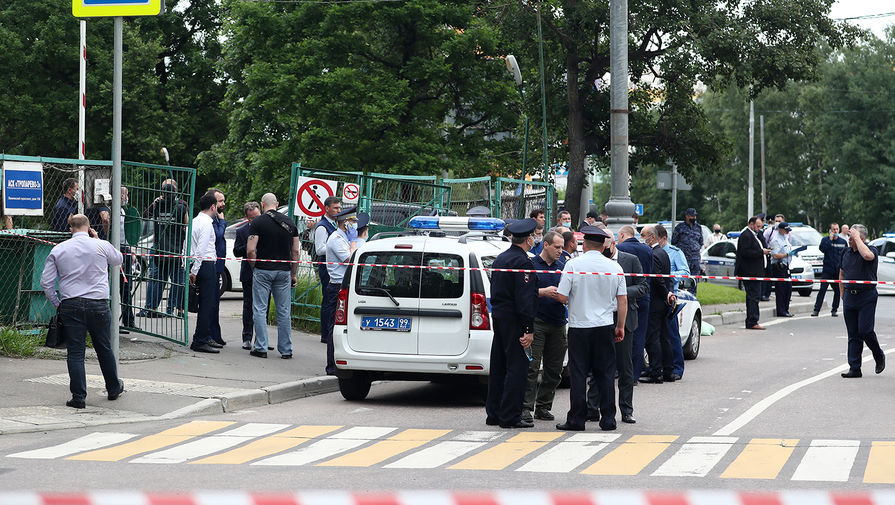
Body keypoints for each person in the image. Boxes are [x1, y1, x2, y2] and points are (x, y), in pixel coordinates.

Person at [40, 214, 125, 408]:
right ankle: (113, 388)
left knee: (75, 352)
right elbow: (117, 259)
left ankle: (78, 396)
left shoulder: (59, 249)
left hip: (71, 304)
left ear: (70, 229)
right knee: (104, 347)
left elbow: (46, 282)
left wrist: (58, 303)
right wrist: (98, 240)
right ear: (88, 228)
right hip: (98, 305)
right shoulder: (100, 245)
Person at [554, 225, 627, 431]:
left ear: (584, 245)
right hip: (604, 326)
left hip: (579, 326)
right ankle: (608, 419)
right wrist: (620, 326)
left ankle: (577, 419)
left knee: (578, 373)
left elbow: (561, 296)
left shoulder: (573, 265)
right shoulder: (615, 268)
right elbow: (622, 301)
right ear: (603, 246)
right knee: (605, 373)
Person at [586, 228, 647, 425]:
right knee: (598, 366)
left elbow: (643, 286)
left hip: (625, 320)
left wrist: (620, 291)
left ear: (613, 243)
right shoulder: (596, 262)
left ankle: (626, 410)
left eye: (606, 248)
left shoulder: (630, 259)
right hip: (600, 319)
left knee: (625, 367)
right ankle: (592, 408)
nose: (603, 253)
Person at [485, 218, 538, 429]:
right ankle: (510, 416)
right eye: (533, 236)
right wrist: (528, 329)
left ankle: (494, 413)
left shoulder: (501, 259)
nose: (535, 239)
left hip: (499, 318)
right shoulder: (522, 262)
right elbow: (524, 300)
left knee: (499, 366)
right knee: (517, 369)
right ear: (528, 239)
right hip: (516, 321)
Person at [247, 193, 300, 359]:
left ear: (262, 205)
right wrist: (293, 273)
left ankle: (261, 347)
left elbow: (250, 250)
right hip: (284, 271)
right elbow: (296, 251)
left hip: (263, 269)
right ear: (276, 204)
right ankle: (286, 350)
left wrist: (254, 266)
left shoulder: (257, 222)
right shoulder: (290, 223)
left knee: (260, 309)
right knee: (284, 311)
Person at [521, 230, 567, 423]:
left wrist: (563, 297)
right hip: (537, 321)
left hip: (557, 322)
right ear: (546, 245)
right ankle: (525, 407)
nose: (560, 251)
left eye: (562, 247)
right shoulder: (532, 265)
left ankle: (543, 406)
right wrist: (542, 292)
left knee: (555, 368)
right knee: (532, 367)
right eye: (557, 247)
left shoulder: (562, 267)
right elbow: (524, 292)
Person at [137, 180, 189, 318]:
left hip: (163, 248)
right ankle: (163, 309)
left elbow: (145, 216)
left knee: (160, 279)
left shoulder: (163, 205)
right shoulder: (181, 206)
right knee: (173, 280)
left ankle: (155, 308)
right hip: (173, 248)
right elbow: (187, 223)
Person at [839, 224, 885, 378]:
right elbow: (842, 273)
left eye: (852, 237)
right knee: (853, 334)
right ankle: (855, 368)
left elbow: (867, 256)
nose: (849, 240)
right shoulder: (846, 252)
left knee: (865, 330)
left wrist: (857, 239)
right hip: (850, 297)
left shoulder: (870, 250)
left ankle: (878, 355)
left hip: (866, 296)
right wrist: (842, 293)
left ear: (862, 238)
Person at [639, 225, 676, 384]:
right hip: (662, 302)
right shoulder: (663, 252)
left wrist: (665, 293)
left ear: (652, 237)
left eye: (643, 235)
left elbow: (657, 279)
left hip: (655, 302)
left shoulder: (653, 254)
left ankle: (656, 372)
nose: (641, 238)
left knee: (652, 338)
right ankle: (668, 371)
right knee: (664, 337)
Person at [324, 207, 359, 375]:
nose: (355, 226)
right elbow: (350, 260)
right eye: (353, 222)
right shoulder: (337, 239)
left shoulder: (343, 237)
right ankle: (331, 367)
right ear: (346, 224)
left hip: (344, 285)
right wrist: (354, 242)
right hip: (337, 285)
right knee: (334, 326)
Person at [616, 225, 652, 381]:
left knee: (622, 336)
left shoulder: (620, 248)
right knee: (639, 337)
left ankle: (620, 371)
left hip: (623, 299)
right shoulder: (647, 249)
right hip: (643, 297)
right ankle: (634, 374)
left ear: (623, 235)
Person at [186, 192, 221, 354]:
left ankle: (204, 336)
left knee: (205, 303)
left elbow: (186, 245)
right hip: (205, 265)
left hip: (197, 264)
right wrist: (195, 269)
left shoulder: (194, 221)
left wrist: (188, 267)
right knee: (207, 304)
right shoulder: (207, 223)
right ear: (212, 207)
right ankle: (200, 340)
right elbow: (201, 247)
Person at [233, 201, 264, 350]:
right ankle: (247, 337)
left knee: (262, 307)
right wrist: (249, 245)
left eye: (258, 216)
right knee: (248, 306)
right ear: (247, 218)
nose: (256, 220)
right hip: (248, 273)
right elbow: (236, 251)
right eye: (252, 218)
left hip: (265, 271)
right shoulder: (242, 231)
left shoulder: (266, 228)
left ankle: (261, 339)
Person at [660, 226, 689, 380]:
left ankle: (677, 368)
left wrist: (669, 275)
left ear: (663, 238)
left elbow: (685, 272)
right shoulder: (652, 251)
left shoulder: (675, 252)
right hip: (658, 295)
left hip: (671, 297)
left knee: (671, 334)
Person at [736, 215, 772, 330]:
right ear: (751, 224)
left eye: (760, 227)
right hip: (750, 272)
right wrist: (761, 252)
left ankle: (751, 320)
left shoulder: (755, 235)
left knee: (753, 296)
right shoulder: (746, 235)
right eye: (757, 226)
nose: (759, 229)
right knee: (753, 297)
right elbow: (746, 253)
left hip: (756, 271)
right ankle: (752, 321)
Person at [314, 197, 342, 344]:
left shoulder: (334, 224)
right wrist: (335, 248)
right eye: (336, 208)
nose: (339, 210)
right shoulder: (322, 227)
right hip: (326, 267)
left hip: (334, 267)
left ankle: (330, 331)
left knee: (332, 300)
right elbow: (319, 249)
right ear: (327, 208)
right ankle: (325, 333)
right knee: (327, 300)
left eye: (339, 208)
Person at [814, 222, 847, 317]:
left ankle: (834, 310)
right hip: (827, 270)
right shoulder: (825, 240)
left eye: (837, 229)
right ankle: (816, 310)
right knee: (822, 290)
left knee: (837, 291)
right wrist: (830, 239)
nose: (835, 231)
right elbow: (822, 249)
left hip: (837, 271)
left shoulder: (843, 242)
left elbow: (846, 255)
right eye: (834, 229)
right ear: (830, 230)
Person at [209, 188, 228, 346]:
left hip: (218, 266)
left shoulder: (216, 218)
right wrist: (222, 222)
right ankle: (211, 334)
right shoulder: (213, 220)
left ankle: (215, 334)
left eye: (223, 200)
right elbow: (218, 236)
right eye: (220, 201)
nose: (223, 203)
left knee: (215, 303)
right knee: (211, 303)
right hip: (212, 266)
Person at [671, 208, 703, 294]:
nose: (694, 217)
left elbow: (701, 242)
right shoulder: (680, 227)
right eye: (692, 216)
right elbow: (674, 242)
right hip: (683, 258)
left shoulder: (698, 227)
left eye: (695, 216)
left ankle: (693, 298)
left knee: (694, 280)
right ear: (687, 216)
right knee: (683, 280)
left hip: (695, 258)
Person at [118, 188, 134, 332]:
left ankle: (129, 321)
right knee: (114, 287)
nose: (124, 197)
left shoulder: (124, 212)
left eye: (126, 195)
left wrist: (131, 248)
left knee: (126, 287)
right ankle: (113, 323)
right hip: (116, 250)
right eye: (122, 194)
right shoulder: (113, 211)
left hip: (125, 249)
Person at [769, 222, 794, 317]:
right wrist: (787, 255)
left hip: (786, 266)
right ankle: (781, 310)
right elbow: (775, 255)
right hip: (779, 267)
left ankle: (786, 309)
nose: (787, 232)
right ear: (780, 230)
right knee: (781, 290)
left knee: (788, 288)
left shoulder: (785, 239)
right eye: (786, 230)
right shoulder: (775, 240)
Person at [762, 214, 786, 301]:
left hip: (782, 259)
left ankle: (782, 296)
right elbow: (764, 241)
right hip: (771, 256)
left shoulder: (786, 232)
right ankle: (765, 294)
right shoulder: (769, 231)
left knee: (781, 281)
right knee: (768, 275)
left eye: (780, 221)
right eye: (776, 221)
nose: (777, 223)